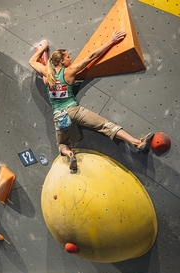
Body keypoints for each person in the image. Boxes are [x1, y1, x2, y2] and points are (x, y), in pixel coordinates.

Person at [29, 30, 154, 173]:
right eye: (68, 56)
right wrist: (111, 41)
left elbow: (31, 61)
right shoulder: (69, 72)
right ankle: (136, 142)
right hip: (74, 110)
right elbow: (92, 56)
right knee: (106, 126)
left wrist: (43, 47)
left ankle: (70, 155)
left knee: (63, 144)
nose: (71, 58)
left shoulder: (46, 74)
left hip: (59, 116)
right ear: (62, 61)